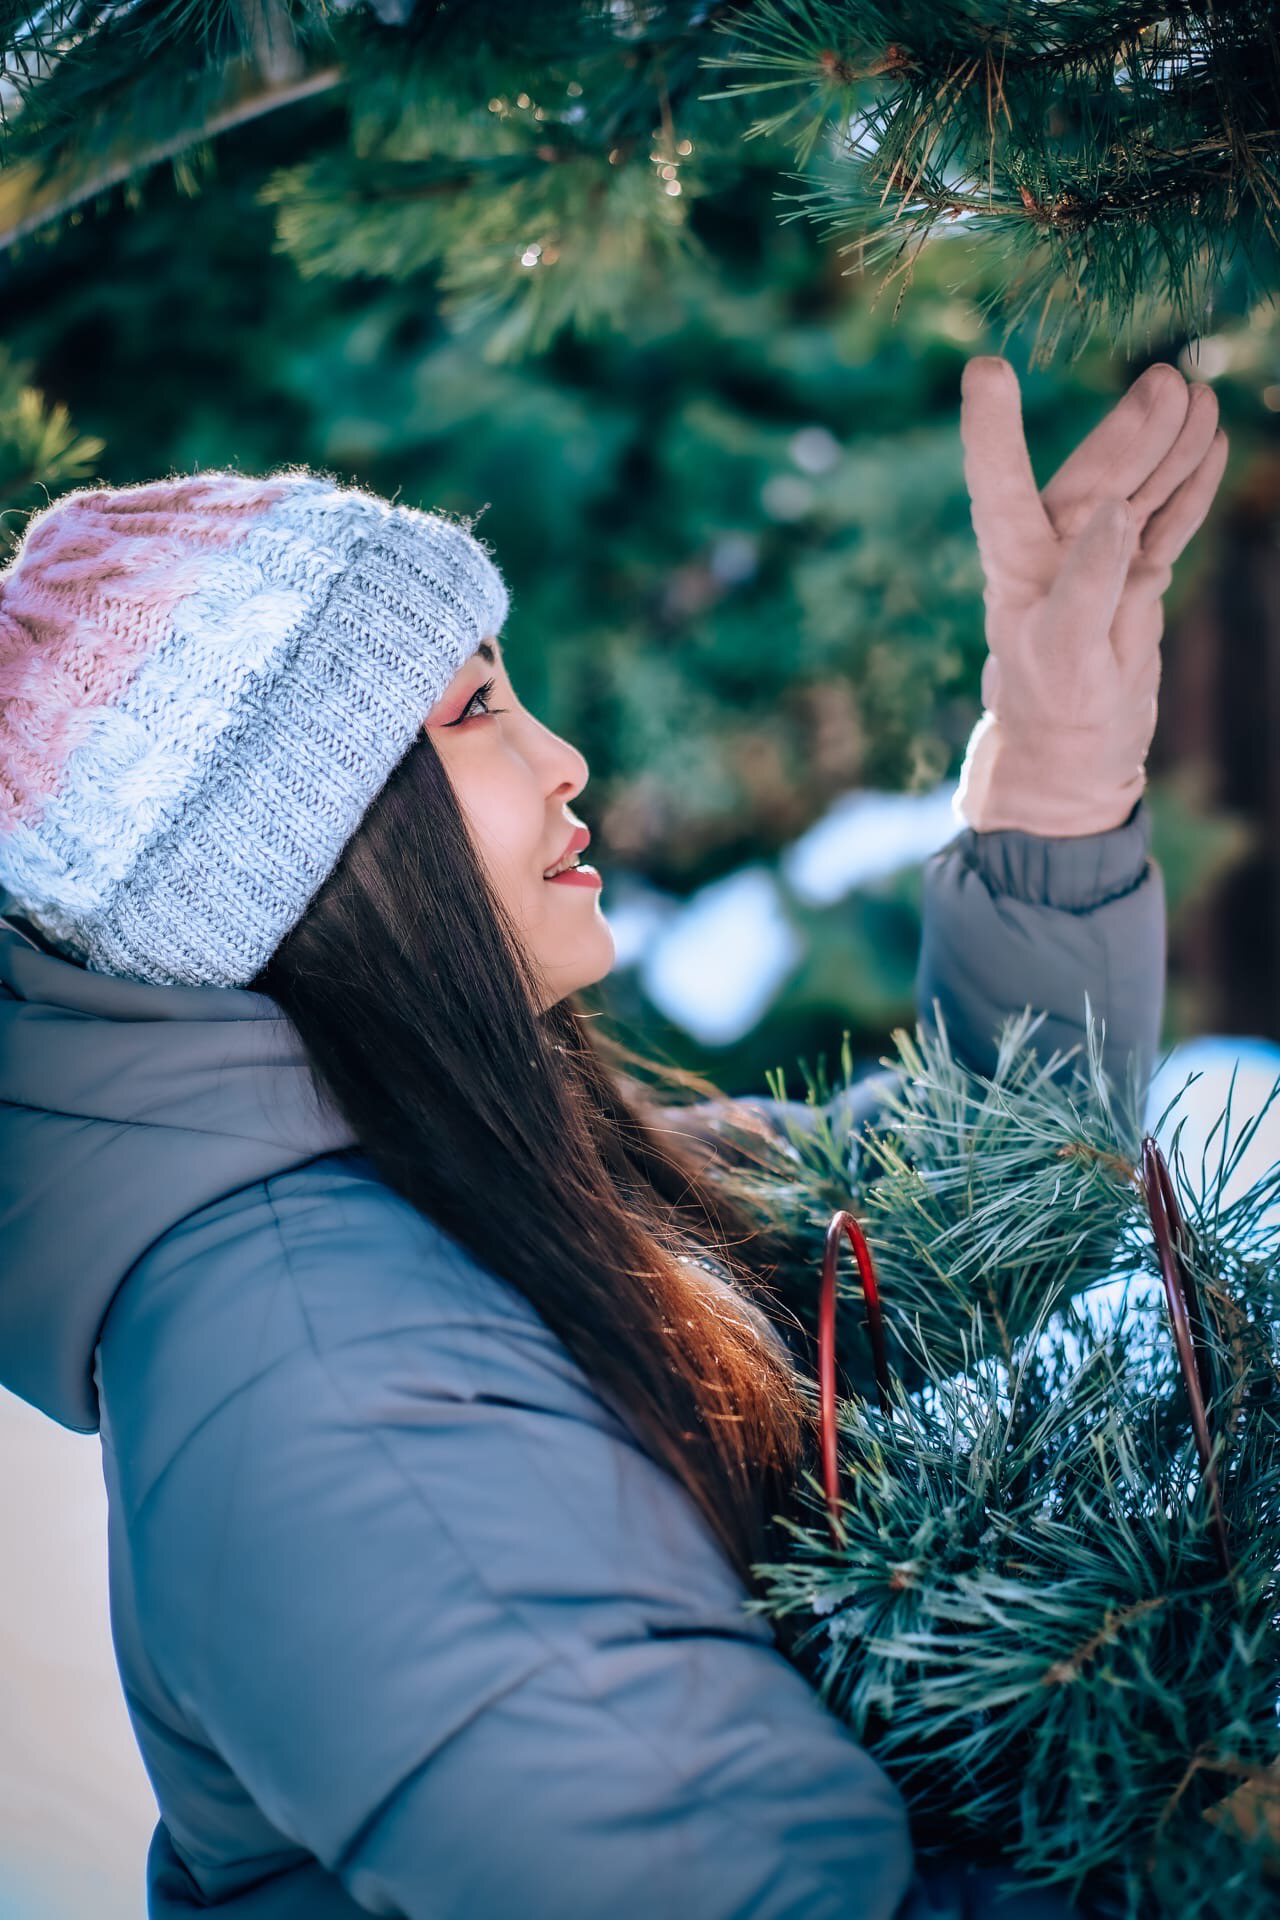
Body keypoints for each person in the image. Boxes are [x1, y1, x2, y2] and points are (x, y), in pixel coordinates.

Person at [0, 355, 1227, 1919]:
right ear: (316, 848)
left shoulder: (452, 1181)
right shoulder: (335, 1386)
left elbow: (961, 1224)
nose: (563, 756)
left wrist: (1055, 774)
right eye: (480, 709)